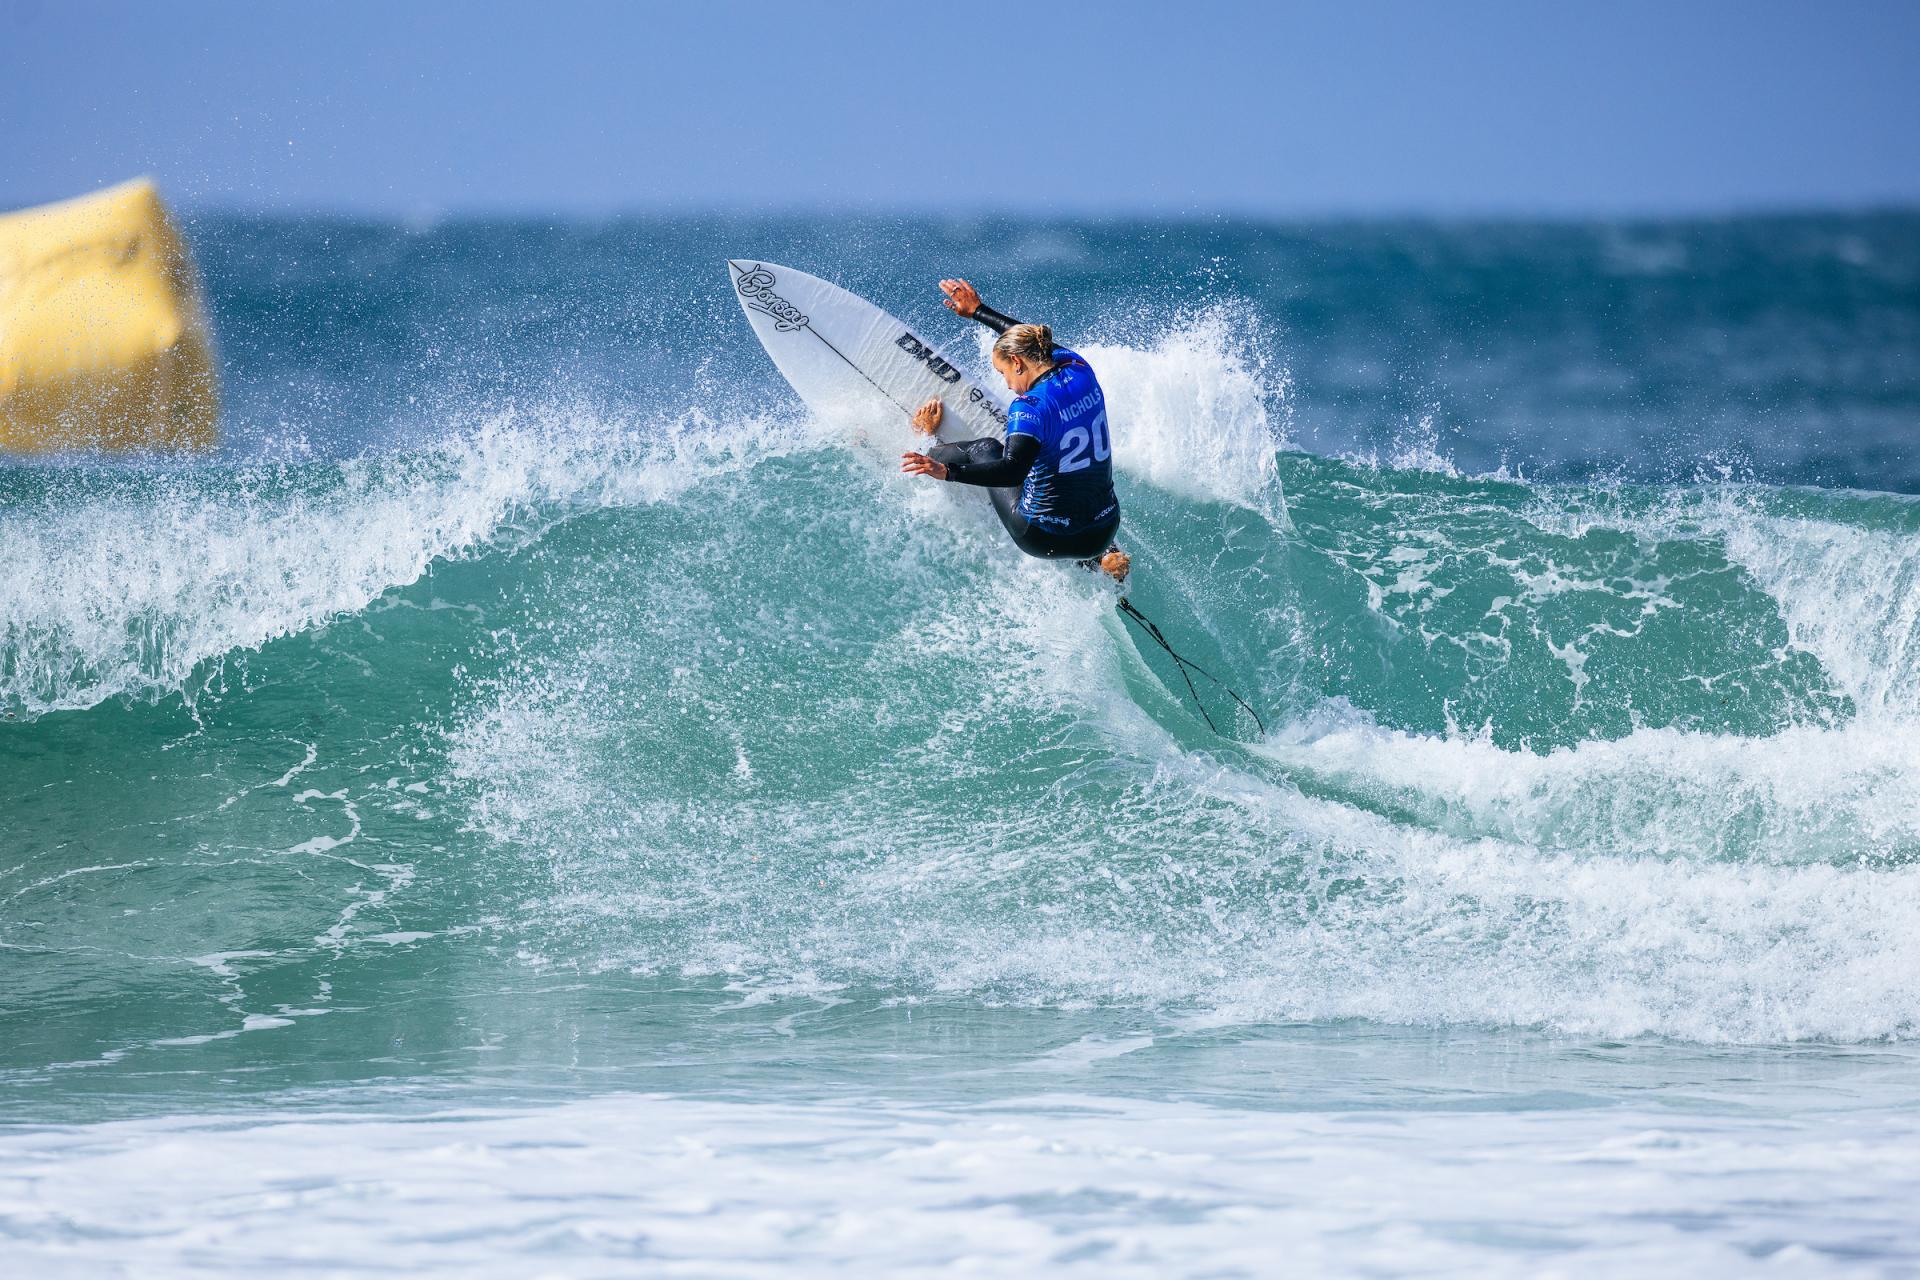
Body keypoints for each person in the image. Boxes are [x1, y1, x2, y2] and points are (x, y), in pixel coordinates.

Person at [901, 279, 1130, 583]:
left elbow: (1011, 472)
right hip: (1103, 531)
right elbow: (1035, 342)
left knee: (983, 448)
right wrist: (979, 311)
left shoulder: (1029, 407)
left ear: (1018, 363)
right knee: (1069, 478)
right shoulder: (1079, 368)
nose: (1007, 383)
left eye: (1003, 372)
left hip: (1041, 539)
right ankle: (1105, 557)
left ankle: (926, 442)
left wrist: (947, 471)